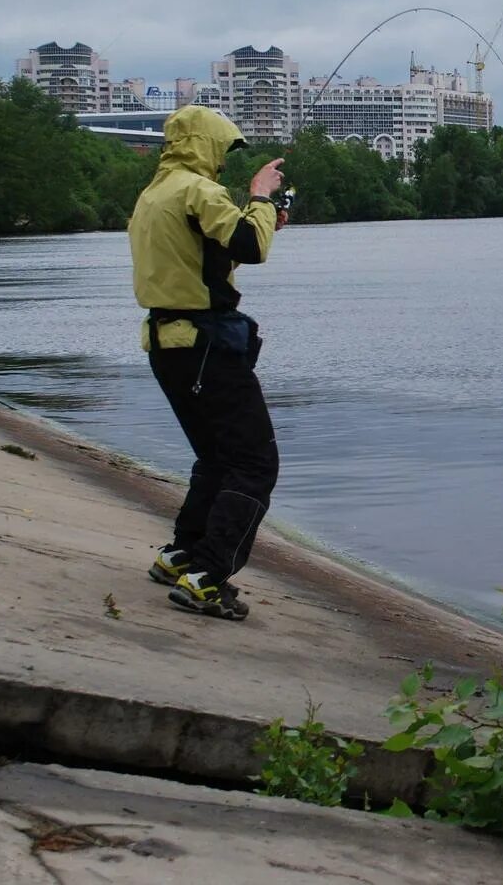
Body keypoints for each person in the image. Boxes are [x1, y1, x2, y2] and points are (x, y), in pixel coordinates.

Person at [129, 106, 287, 621]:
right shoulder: (198, 189)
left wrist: (267, 223)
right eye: (225, 148)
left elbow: (207, 259)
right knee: (255, 462)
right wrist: (261, 197)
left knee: (218, 459)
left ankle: (182, 556)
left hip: (167, 346)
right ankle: (209, 576)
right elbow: (249, 246)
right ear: (206, 144)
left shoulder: (154, 194)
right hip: (204, 348)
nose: (226, 160)